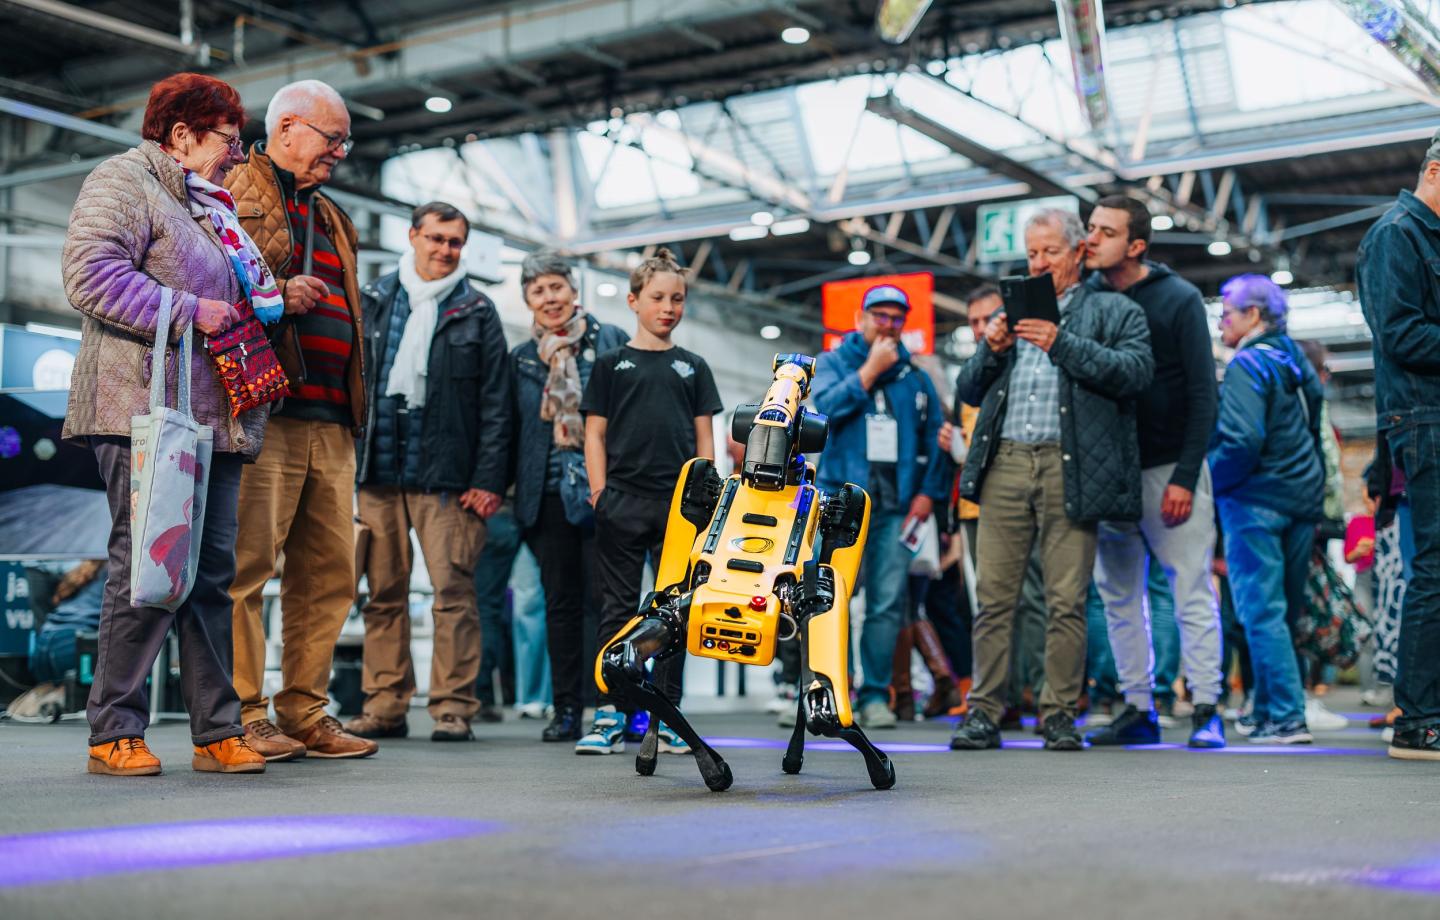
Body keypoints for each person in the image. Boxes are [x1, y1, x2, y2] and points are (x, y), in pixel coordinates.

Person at [62, 72, 272, 776]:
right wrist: (188, 309)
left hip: (210, 418)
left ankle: (217, 730)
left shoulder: (205, 203)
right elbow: (90, 275)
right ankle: (112, 730)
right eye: (229, 142)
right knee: (146, 570)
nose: (239, 158)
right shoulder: (124, 179)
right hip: (141, 412)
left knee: (210, 576)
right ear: (181, 136)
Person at [949, 207, 1153, 752]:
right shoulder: (1008, 315)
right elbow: (968, 392)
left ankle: (1059, 713)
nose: (1038, 263)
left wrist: (1059, 342)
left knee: (1066, 599)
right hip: (1007, 463)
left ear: (1079, 253)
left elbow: (1135, 374)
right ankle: (985, 712)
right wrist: (990, 352)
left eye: (1050, 253)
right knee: (994, 599)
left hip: (1072, 465)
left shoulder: (1115, 309)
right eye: (1032, 253)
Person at [224, 79, 376, 761]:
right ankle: (243, 713)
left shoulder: (333, 214)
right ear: (286, 128)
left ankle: (307, 710)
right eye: (331, 137)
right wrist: (276, 294)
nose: (340, 151)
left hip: (334, 418)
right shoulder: (232, 190)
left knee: (330, 574)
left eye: (344, 140)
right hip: (270, 413)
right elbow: (208, 283)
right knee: (248, 568)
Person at [346, 201, 511, 742]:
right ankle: (385, 705)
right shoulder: (372, 299)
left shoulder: (478, 311)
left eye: (455, 242)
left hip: (449, 481)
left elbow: (497, 405)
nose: (445, 250)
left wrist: (488, 480)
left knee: (454, 595)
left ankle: (453, 707)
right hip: (378, 472)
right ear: (413, 235)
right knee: (383, 595)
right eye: (436, 238)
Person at [1079, 196, 1225, 749]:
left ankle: (1206, 707)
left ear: (1136, 245)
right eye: (1090, 227)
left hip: (1170, 468)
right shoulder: (1086, 299)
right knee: (1117, 595)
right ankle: (1137, 708)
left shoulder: (1179, 298)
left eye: (1106, 232)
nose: (1091, 239)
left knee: (1190, 590)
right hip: (1110, 472)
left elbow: (1202, 393)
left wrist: (1187, 475)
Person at [579, 248, 723, 754]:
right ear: (634, 301)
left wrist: (706, 499)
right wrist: (599, 492)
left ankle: (666, 713)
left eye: (677, 298)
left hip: (681, 510)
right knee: (617, 608)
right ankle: (611, 712)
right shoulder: (610, 364)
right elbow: (593, 433)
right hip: (621, 501)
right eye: (658, 298)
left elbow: (705, 437)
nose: (668, 307)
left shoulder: (693, 366)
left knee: (674, 613)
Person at [812, 284, 951, 729]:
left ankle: (875, 695)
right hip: (840, 506)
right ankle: (829, 691)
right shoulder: (834, 364)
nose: (888, 325)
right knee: (830, 599)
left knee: (887, 603)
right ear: (861, 319)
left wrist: (928, 494)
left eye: (896, 317)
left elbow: (937, 440)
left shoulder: (916, 378)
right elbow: (825, 411)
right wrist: (869, 371)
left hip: (897, 507)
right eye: (880, 316)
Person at [511, 250, 627, 743]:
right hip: (548, 492)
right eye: (538, 291)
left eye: (556, 287)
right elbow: (508, 425)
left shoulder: (613, 341)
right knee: (559, 602)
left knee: (609, 604)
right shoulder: (520, 357)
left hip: (606, 490)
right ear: (527, 301)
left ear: (573, 290)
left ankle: (611, 704)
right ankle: (564, 710)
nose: (549, 298)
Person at [1210, 274, 1323, 745]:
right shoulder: (1296, 359)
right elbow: (1313, 422)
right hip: (1301, 497)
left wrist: (1208, 483)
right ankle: (1268, 710)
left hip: (1255, 499)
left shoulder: (1246, 365)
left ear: (1253, 315)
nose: (1221, 323)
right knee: (1283, 611)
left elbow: (1242, 439)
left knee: (1260, 612)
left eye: (1227, 313)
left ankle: (1285, 716)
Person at [1357, 137, 1440, 760]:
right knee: (1435, 570)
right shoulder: (1396, 235)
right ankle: (1418, 720)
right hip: (1426, 418)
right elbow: (1402, 333)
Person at [940, 284, 1049, 728]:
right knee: (990, 603)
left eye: (989, 319)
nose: (982, 328)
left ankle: (1042, 696)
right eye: (974, 323)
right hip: (973, 507)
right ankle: (994, 699)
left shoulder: (1024, 367)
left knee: (1034, 597)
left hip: (1022, 494)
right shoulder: (973, 374)